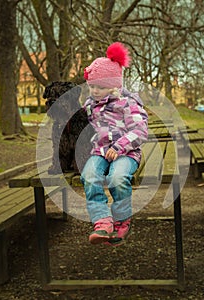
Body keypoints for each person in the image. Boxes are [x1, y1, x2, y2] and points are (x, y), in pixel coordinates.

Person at [81, 42, 148, 246]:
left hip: (126, 153)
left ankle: (121, 221)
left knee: (117, 177)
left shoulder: (128, 103)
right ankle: (102, 222)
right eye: (91, 86)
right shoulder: (90, 106)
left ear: (114, 85)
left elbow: (140, 130)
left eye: (100, 87)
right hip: (99, 152)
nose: (94, 90)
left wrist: (119, 147)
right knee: (89, 175)